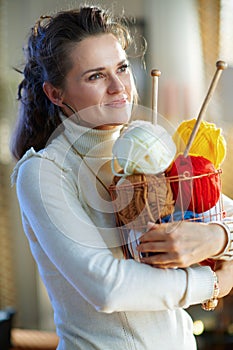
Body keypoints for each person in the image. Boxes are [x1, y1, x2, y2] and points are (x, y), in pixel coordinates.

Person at [10, 5, 233, 350]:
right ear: (55, 94)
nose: (120, 88)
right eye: (95, 76)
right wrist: (214, 281)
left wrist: (216, 237)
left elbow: (227, 215)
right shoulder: (42, 172)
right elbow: (108, 288)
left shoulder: (150, 150)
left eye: (123, 68)